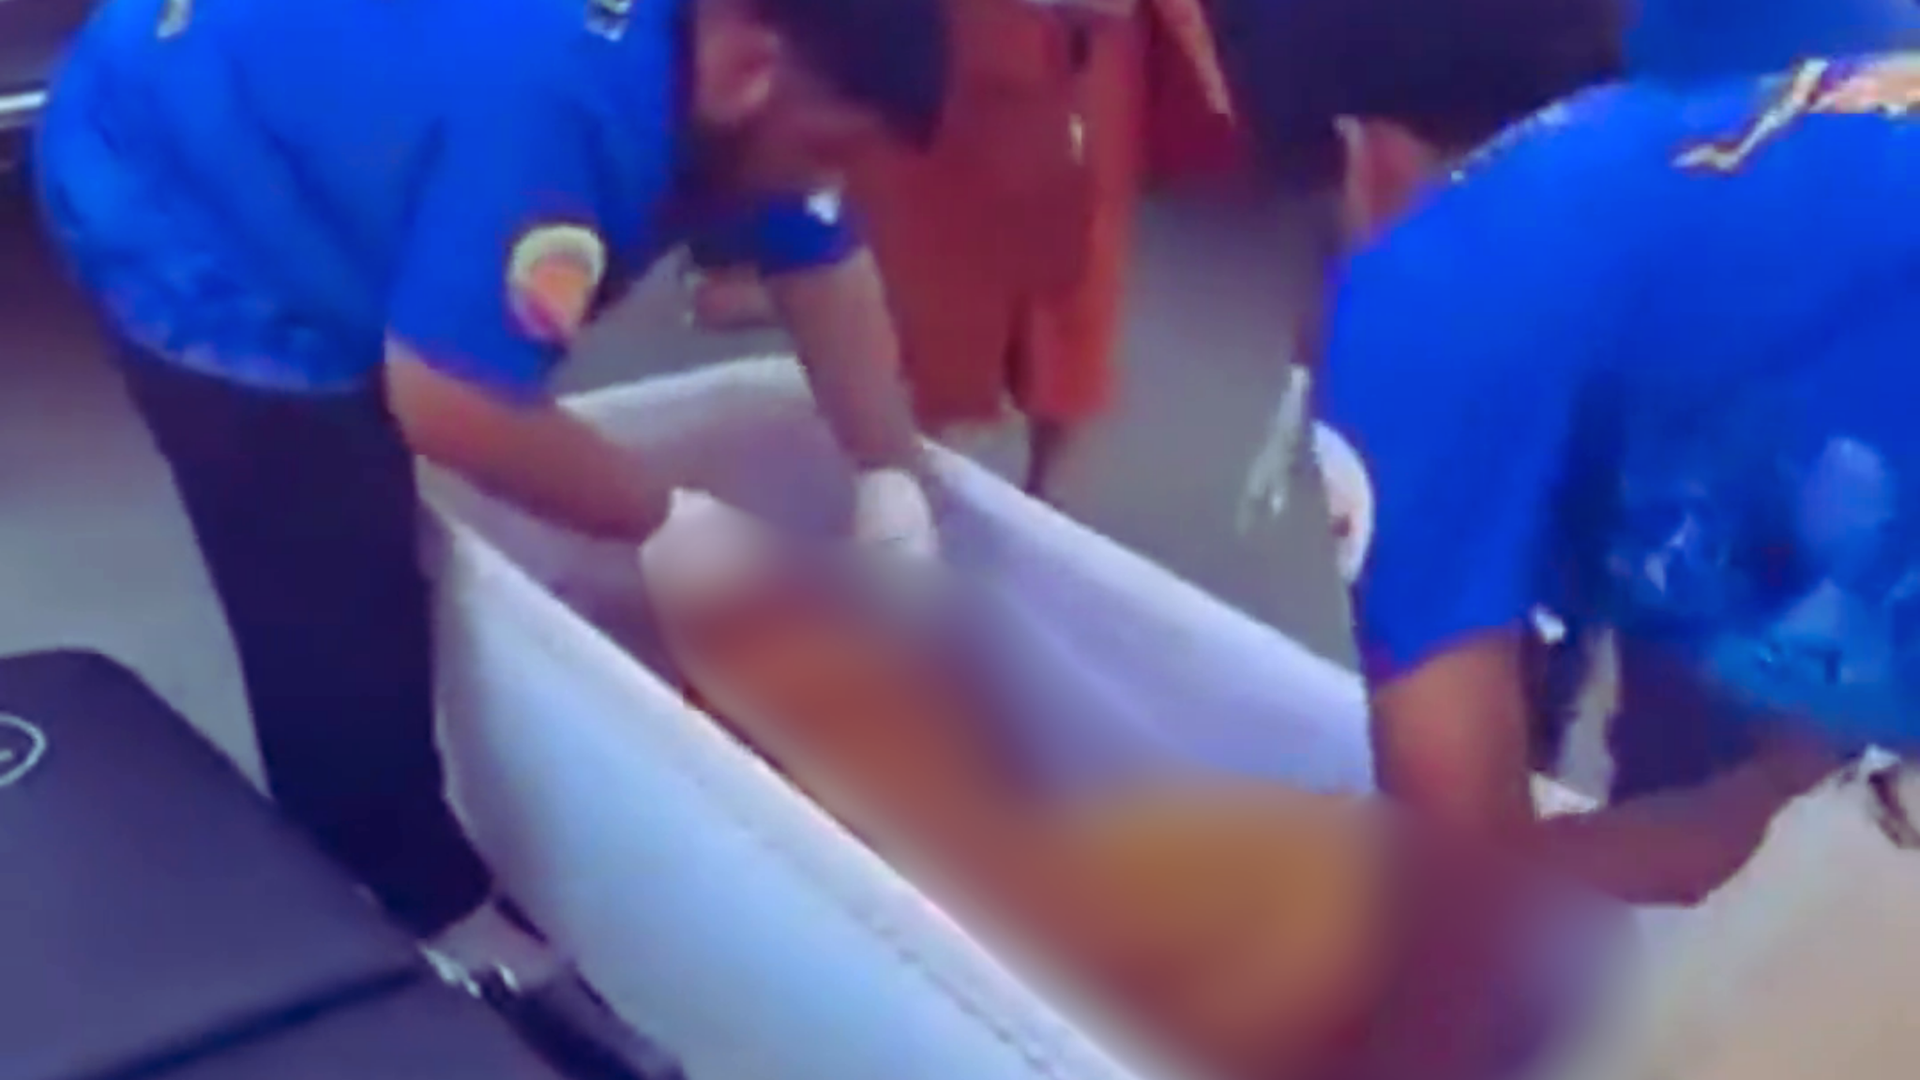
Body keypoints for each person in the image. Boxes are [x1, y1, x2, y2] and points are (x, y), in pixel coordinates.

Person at [33, 0, 945, 1069]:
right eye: (824, 144)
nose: (821, 177)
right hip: (186, 188)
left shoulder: (745, 70)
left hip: (337, 87)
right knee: (329, 569)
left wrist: (890, 473)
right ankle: (413, 908)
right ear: (751, 66)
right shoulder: (564, 110)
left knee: (432, 380)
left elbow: (820, 250)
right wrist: (676, 523)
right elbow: (452, 404)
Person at [1211, 0, 1920, 906]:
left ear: (1365, 161)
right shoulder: (1703, 158)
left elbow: (1462, 883)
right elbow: (1786, 805)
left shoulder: (1428, 286)